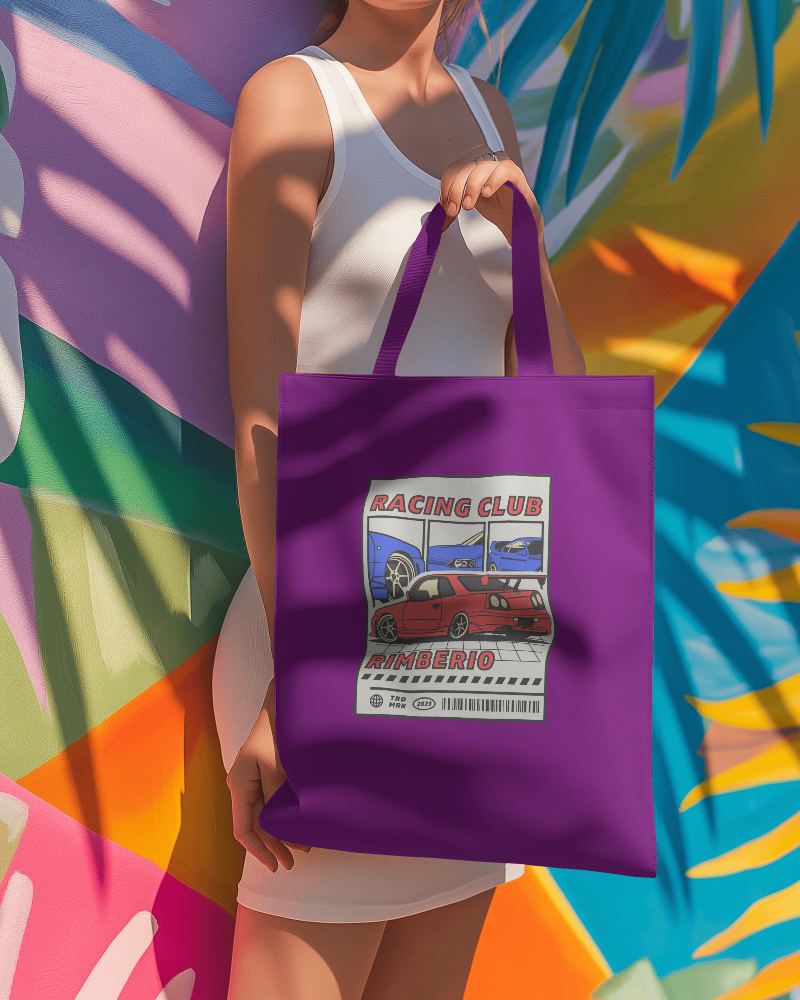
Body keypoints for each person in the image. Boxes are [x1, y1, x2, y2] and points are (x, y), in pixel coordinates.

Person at [214, 1, 586, 997]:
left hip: (475, 642)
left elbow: (557, 407)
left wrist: (524, 246)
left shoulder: (487, 113)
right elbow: (262, 419)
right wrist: (304, 682)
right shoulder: (295, 100)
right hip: (325, 636)